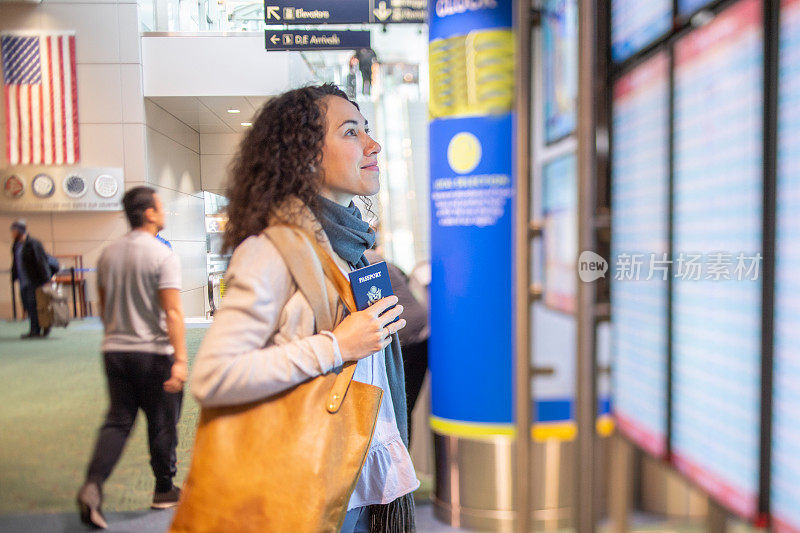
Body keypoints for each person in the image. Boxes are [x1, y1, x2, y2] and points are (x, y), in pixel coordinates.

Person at [191, 84, 418, 532]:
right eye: (351, 132)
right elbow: (213, 377)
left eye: (367, 130)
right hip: (304, 485)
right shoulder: (273, 251)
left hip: (355, 480)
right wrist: (338, 345)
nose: (372, 145)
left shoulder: (350, 252)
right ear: (306, 154)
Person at [76, 186, 188, 529]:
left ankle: (93, 485)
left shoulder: (108, 254)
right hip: (153, 354)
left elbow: (105, 305)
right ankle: (164, 489)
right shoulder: (161, 254)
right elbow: (172, 312)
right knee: (162, 422)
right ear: (150, 214)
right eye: (161, 206)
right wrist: (181, 359)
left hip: (115, 352)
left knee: (119, 421)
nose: (164, 211)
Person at [364, 249, 429, 443]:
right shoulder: (374, 258)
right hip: (419, 332)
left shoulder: (364, 260)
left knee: (400, 409)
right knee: (404, 409)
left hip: (408, 338)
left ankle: (402, 464)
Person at [10, 219, 57, 338]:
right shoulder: (16, 245)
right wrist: (14, 276)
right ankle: (38, 328)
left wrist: (47, 279)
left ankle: (37, 330)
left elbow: (41, 261)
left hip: (34, 280)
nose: (12, 233)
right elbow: (16, 263)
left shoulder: (33, 243)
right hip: (23, 281)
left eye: (14, 230)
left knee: (35, 305)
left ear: (20, 231)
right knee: (28, 305)